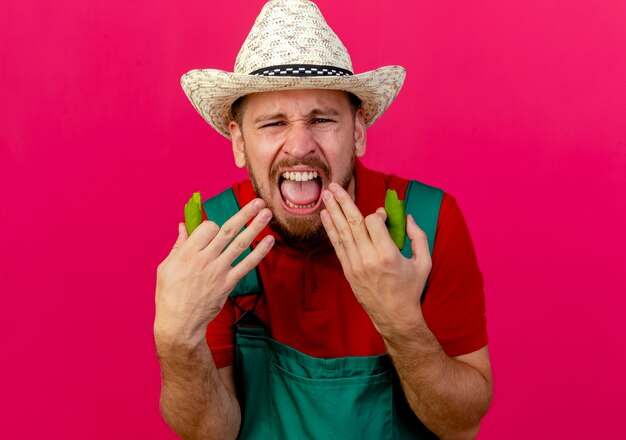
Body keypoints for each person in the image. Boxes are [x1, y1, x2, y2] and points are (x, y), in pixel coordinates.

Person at [154, 0, 493, 439]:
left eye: (322, 118)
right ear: (239, 143)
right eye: (273, 123)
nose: (300, 145)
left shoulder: (427, 223)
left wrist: (400, 323)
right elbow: (210, 433)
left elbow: (462, 426)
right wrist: (177, 343)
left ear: (357, 130)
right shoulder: (214, 239)